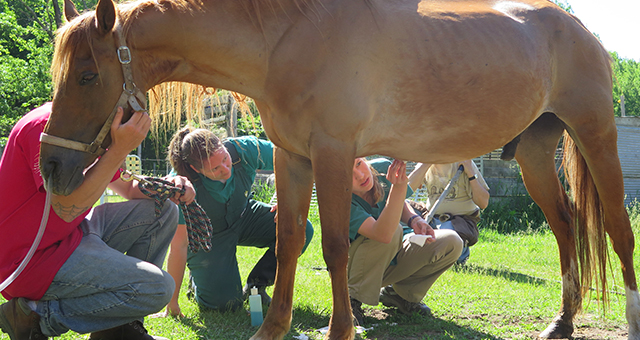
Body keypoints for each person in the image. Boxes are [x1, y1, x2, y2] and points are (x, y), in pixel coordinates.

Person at [0, 103, 195, 340]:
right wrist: (118, 149)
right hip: (29, 260)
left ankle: (119, 331)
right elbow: (66, 208)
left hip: (71, 235)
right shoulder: (46, 128)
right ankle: (34, 317)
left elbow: (129, 187)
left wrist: (166, 186)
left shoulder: (91, 128)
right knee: (158, 288)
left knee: (162, 210)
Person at [161, 127, 314, 316]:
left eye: (225, 159)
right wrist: (172, 303)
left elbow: (291, 158)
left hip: (244, 216)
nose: (225, 169)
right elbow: (179, 246)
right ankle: (197, 280)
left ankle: (256, 285)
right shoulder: (182, 187)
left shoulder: (244, 149)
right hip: (207, 238)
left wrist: (289, 199)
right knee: (225, 306)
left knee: (300, 229)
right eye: (214, 169)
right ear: (196, 169)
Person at [348, 157, 463, 325]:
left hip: (389, 255)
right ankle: (351, 301)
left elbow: (399, 201)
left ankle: (400, 295)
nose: (359, 175)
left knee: (451, 241)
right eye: (348, 173)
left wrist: (414, 220)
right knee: (393, 229)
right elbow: (382, 233)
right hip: (352, 270)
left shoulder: (382, 168)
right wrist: (399, 185)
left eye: (359, 163)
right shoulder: (339, 200)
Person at [408, 160, 490, 265]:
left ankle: (459, 251)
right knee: (402, 207)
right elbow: (407, 189)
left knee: (447, 234)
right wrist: (424, 165)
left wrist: (470, 173)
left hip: (459, 222)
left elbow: (483, 203)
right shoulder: (426, 160)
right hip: (430, 218)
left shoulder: (463, 161)